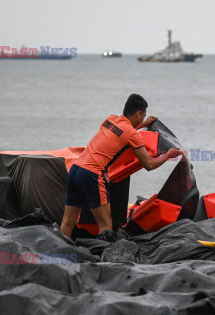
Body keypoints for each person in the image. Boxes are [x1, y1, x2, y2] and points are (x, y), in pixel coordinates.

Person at [60, 94, 182, 239]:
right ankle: (104, 260)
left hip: (76, 169)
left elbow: (122, 131)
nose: (143, 119)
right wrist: (167, 155)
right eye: (143, 116)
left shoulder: (110, 120)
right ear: (138, 113)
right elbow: (149, 164)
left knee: (68, 222)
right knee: (106, 225)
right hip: (91, 174)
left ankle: (61, 253)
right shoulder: (132, 134)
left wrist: (142, 125)